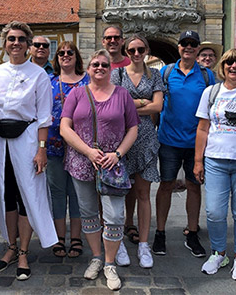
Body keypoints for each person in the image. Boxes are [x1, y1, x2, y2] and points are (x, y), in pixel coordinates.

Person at [0, 21, 56, 281]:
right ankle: (10, 248)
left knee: (27, 197)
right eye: (11, 39)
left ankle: (24, 251)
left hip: (28, 141)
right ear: (5, 43)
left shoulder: (39, 75)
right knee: (7, 195)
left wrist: (42, 149)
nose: (16, 43)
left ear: (28, 44)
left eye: (21, 39)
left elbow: (44, 116)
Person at [60, 49, 139, 290]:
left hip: (111, 166)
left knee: (114, 216)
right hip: (82, 162)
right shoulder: (76, 93)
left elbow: (133, 128)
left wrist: (117, 154)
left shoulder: (122, 94)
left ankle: (109, 262)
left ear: (110, 68)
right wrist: (87, 151)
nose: (100, 68)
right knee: (88, 213)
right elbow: (65, 127)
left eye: (104, 64)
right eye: (95, 64)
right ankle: (96, 257)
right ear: (88, 67)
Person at [193, 49, 236, 281]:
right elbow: (202, 128)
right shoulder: (211, 92)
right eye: (229, 62)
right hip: (215, 160)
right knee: (214, 211)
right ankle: (218, 253)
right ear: (223, 67)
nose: (234, 66)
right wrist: (197, 160)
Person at [153, 30, 215, 258]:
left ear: (198, 48)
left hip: (196, 141)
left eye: (193, 44)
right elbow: (156, 104)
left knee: (193, 186)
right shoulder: (166, 72)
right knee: (166, 185)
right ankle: (160, 232)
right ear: (178, 47)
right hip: (169, 139)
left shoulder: (208, 76)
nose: (188, 47)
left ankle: (192, 232)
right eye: (184, 43)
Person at [110, 35, 164, 269]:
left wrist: (132, 104)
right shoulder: (117, 75)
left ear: (147, 51)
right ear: (126, 51)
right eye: (131, 49)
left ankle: (143, 244)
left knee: (143, 194)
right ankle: (118, 241)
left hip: (146, 139)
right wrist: (143, 101)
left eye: (140, 49)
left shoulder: (156, 75)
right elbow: (114, 105)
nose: (136, 53)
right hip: (120, 139)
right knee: (118, 193)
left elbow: (158, 106)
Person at [47, 41, 89, 258]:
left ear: (76, 56)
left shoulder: (88, 81)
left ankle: (76, 238)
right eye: (61, 53)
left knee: (77, 193)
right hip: (54, 144)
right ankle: (58, 238)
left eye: (69, 52)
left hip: (81, 146)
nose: (65, 55)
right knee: (57, 193)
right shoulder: (50, 81)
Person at [102, 25, 137, 248]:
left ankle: (128, 222)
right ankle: (105, 223)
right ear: (103, 41)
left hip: (129, 133)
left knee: (129, 180)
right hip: (104, 134)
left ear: (122, 41)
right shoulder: (98, 64)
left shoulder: (129, 64)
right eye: (108, 38)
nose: (112, 41)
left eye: (116, 37)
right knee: (103, 183)